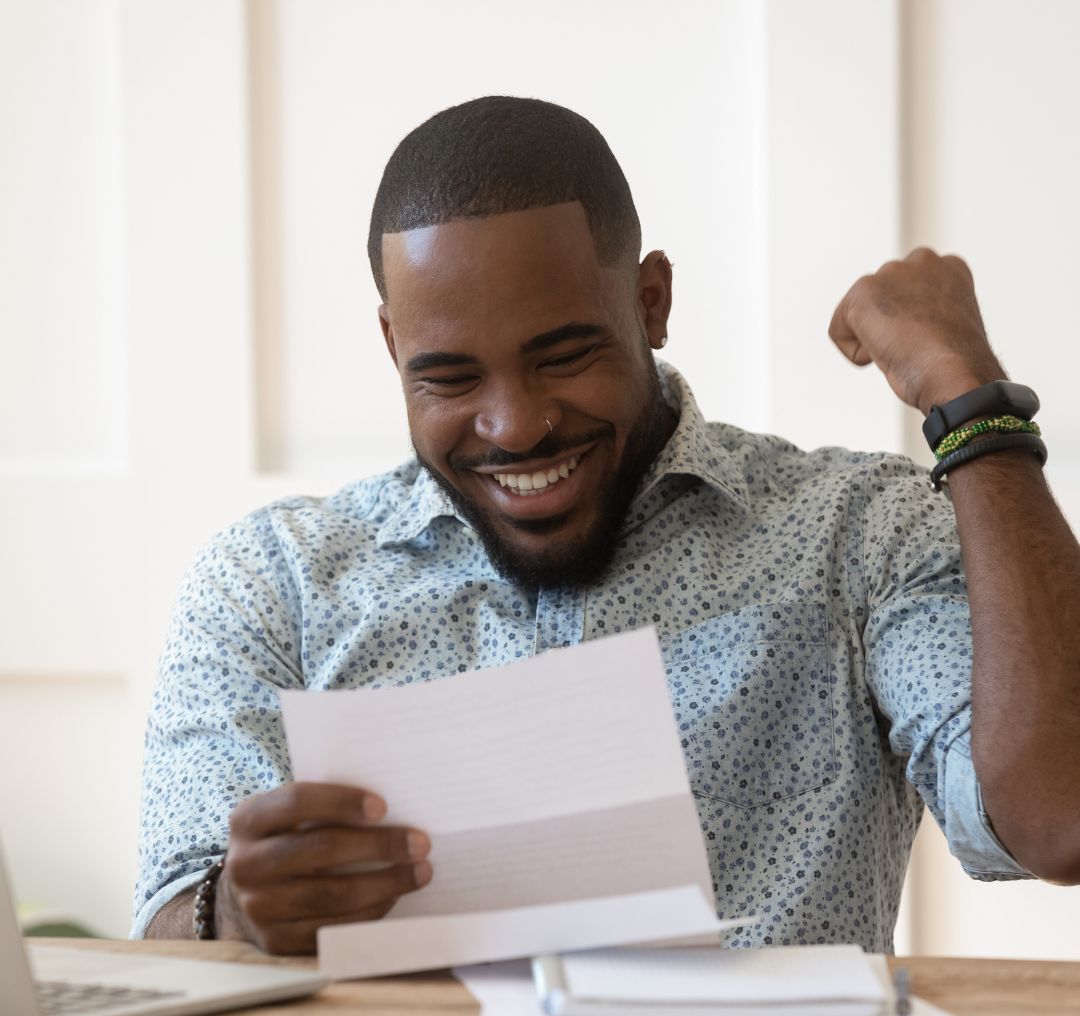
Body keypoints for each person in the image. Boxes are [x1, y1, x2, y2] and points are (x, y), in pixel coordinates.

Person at [134, 96, 1080, 955]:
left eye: (565, 354)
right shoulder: (276, 582)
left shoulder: (858, 533)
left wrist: (973, 406)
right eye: (449, 377)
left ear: (650, 301)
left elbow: (1059, 816)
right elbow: (170, 923)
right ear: (393, 345)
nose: (514, 424)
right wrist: (240, 913)